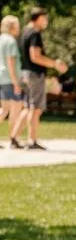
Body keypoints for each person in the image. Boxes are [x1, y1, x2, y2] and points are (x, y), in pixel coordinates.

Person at [20, 7, 67, 150]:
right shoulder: (35, 34)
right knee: (35, 108)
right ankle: (32, 140)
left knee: (29, 107)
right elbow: (35, 56)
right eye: (45, 18)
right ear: (39, 18)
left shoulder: (24, 32)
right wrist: (55, 64)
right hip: (34, 74)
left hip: (25, 73)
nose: (46, 21)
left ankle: (15, 137)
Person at [0, 15, 26, 148]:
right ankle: (13, 138)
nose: (19, 28)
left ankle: (13, 138)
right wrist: (16, 83)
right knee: (16, 108)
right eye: (17, 25)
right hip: (10, 78)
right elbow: (11, 62)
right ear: (12, 27)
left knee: (4, 109)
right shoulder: (10, 41)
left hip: (2, 77)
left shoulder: (1, 39)